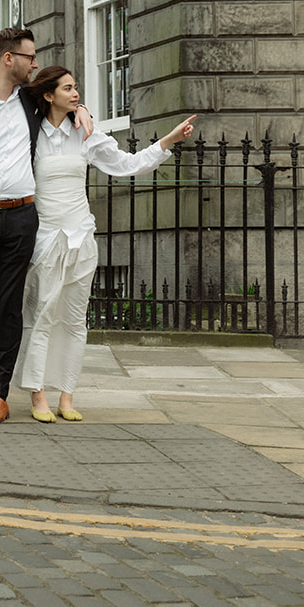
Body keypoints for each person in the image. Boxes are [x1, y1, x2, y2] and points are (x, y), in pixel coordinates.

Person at [15, 65, 194, 422]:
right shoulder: (30, 133)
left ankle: (67, 396)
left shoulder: (85, 133)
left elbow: (127, 164)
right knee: (40, 315)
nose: (76, 93)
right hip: (46, 238)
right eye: (68, 89)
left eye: (76, 88)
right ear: (48, 95)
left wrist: (168, 141)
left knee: (74, 319)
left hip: (81, 236)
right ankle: (38, 394)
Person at [0, 28, 93, 424]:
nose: (35, 64)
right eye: (30, 57)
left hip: (22, 218)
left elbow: (63, 97)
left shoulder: (30, 99)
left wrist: (83, 111)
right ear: (9, 58)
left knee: (9, 308)